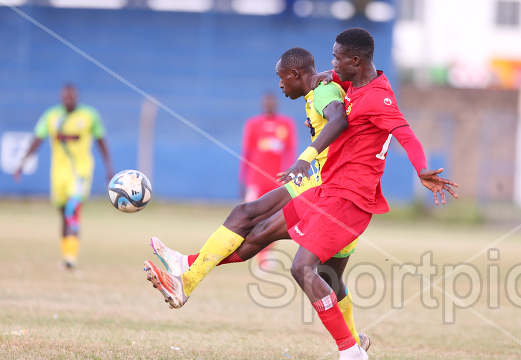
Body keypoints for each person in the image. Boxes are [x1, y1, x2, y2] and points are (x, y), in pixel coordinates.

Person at [145, 28, 458, 359]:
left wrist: (422, 168)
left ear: (355, 60)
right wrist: (322, 75)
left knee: (302, 268)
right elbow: (332, 80)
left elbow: (406, 135)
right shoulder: (352, 83)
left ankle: (351, 350)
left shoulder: (379, 99)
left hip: (349, 198)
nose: (331, 62)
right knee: (267, 237)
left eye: (337, 57)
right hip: (326, 190)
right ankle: (187, 275)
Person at [148, 47, 371, 352]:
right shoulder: (317, 90)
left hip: (328, 192)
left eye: (281, 78)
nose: (280, 86)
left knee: (267, 237)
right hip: (314, 183)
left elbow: (339, 118)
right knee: (249, 219)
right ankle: (185, 274)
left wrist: (307, 156)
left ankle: (186, 273)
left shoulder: (321, 94)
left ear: (294, 75)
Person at [14, 83, 114, 268]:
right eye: (65, 96)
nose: (68, 99)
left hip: (80, 172)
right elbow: (37, 139)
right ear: (61, 97)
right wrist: (21, 163)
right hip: (58, 174)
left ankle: (70, 258)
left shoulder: (89, 116)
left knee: (72, 210)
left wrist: (109, 167)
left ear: (77, 97)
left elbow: (101, 140)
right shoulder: (51, 116)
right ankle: (67, 253)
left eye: (71, 96)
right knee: (63, 213)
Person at [239, 92, 297, 266]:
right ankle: (251, 253)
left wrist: (291, 176)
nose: (269, 104)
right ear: (263, 103)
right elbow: (246, 154)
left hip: (277, 181)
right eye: (267, 101)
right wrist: (243, 180)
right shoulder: (253, 124)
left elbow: (291, 152)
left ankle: (266, 255)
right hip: (256, 181)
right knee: (251, 219)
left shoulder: (286, 124)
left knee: (274, 220)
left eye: (272, 101)